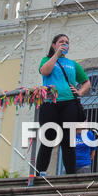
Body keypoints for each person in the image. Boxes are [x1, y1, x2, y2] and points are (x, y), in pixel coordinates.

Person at [35, 34, 91, 177]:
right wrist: (56, 55)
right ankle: (39, 174)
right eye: (61, 42)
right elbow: (45, 71)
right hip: (49, 103)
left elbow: (87, 82)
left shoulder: (73, 64)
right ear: (54, 45)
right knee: (48, 138)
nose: (64, 44)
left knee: (67, 141)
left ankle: (70, 175)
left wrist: (79, 92)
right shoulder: (46, 60)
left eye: (67, 42)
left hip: (69, 103)